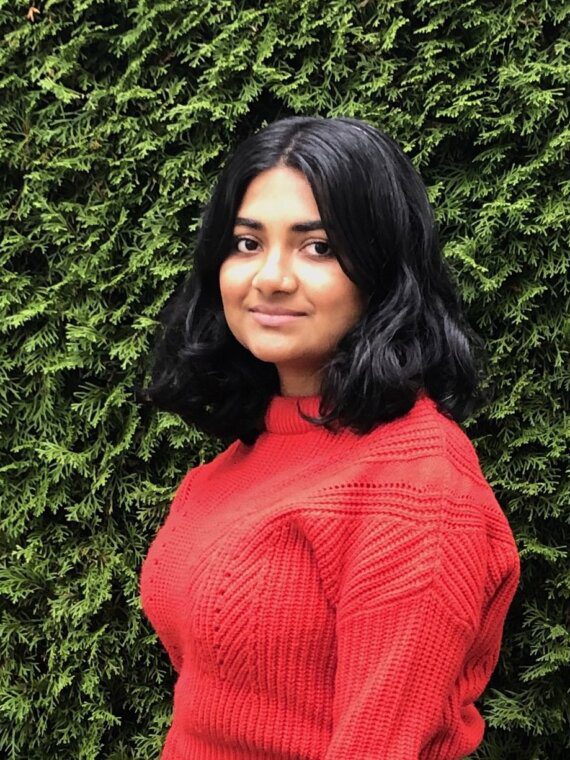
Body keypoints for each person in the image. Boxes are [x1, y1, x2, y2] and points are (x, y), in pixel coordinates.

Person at [136, 115, 521, 760]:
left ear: (381, 270)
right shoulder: (234, 463)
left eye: (317, 247)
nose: (271, 277)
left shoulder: (416, 485)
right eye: (247, 243)